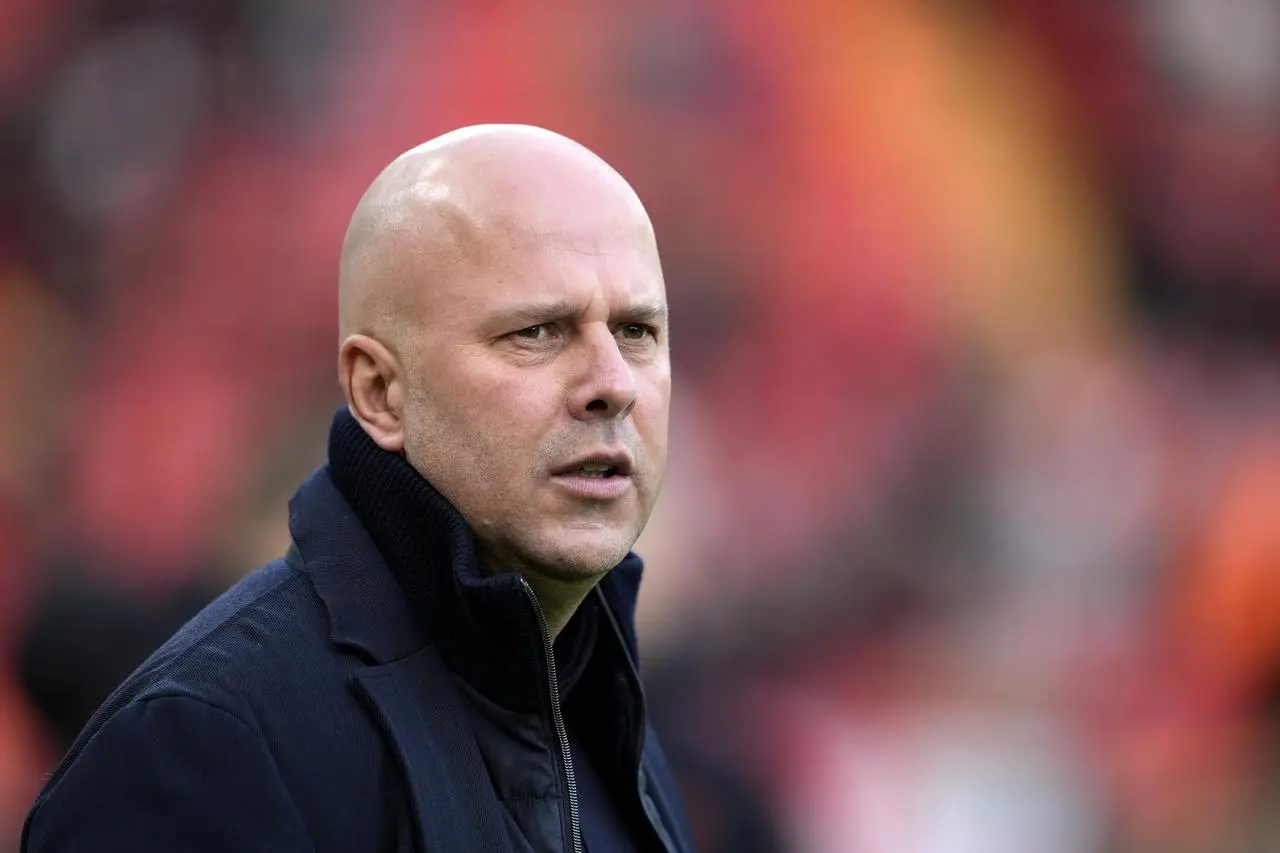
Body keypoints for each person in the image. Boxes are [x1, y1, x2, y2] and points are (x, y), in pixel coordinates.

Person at [22, 124, 695, 853]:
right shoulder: (206, 747)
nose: (613, 385)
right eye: (536, 331)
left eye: (636, 331)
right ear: (378, 391)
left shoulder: (606, 722)